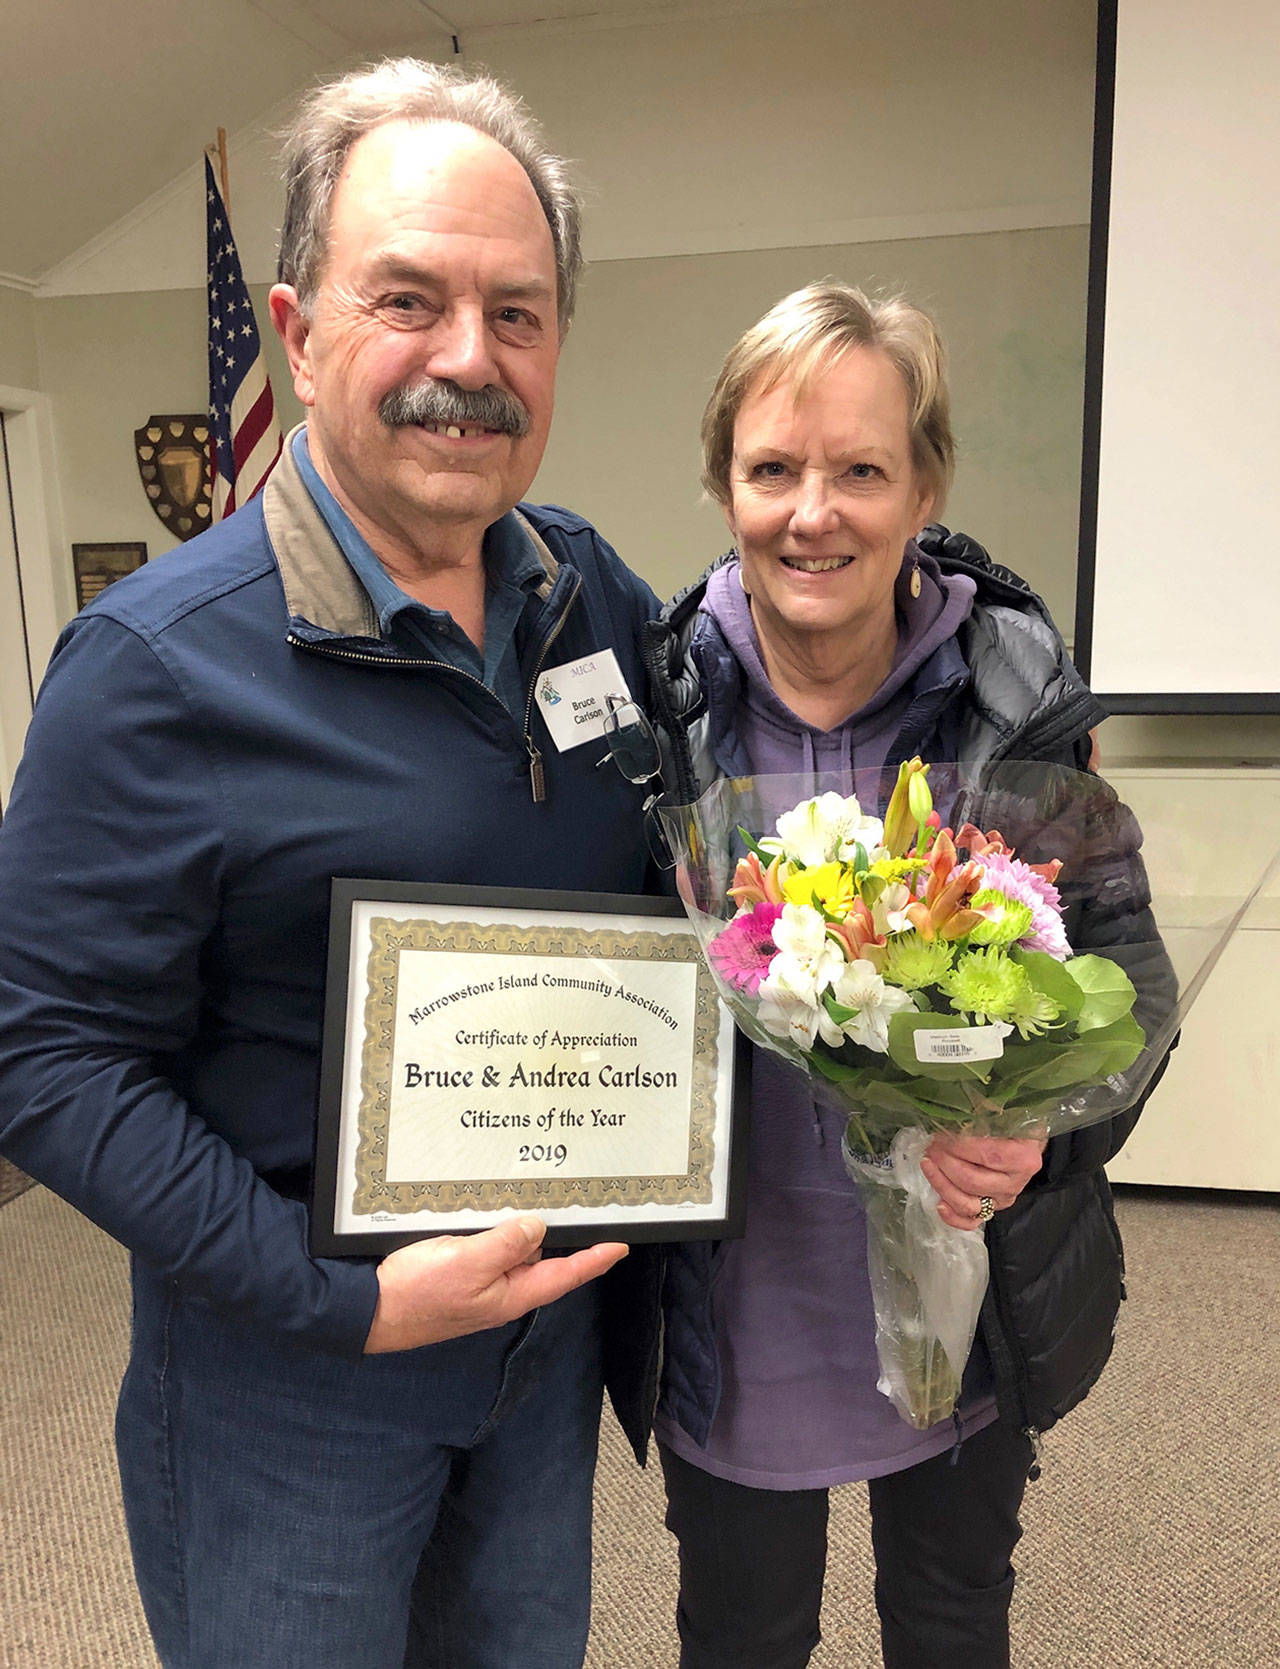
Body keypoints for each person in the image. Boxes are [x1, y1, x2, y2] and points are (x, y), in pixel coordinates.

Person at [0, 58, 664, 1669]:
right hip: (287, 1373)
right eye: (410, 299)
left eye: (519, 314)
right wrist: (338, 1296)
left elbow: (693, 879)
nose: (469, 358)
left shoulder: (595, 597)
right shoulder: (155, 666)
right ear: (295, 335)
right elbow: (40, 1051)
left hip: (543, 1342)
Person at [643, 282, 1172, 1669]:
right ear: (724, 482)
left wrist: (1040, 1127)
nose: (813, 511)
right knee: (739, 1634)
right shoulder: (652, 706)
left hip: (965, 1304)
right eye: (773, 469)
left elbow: (1128, 987)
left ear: (924, 485)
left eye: (862, 469)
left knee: (951, 1622)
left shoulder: (1021, 697)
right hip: (735, 1313)